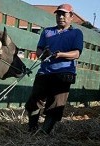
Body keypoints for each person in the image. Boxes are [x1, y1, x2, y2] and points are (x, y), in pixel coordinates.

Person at [25, 3, 83, 134]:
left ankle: (44, 133)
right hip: (45, 71)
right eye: (58, 14)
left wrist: (61, 54)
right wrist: (42, 54)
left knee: (56, 104)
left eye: (64, 14)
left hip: (64, 73)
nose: (60, 17)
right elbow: (39, 49)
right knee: (35, 100)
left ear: (71, 16)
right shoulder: (47, 31)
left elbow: (77, 53)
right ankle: (32, 128)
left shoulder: (76, 33)